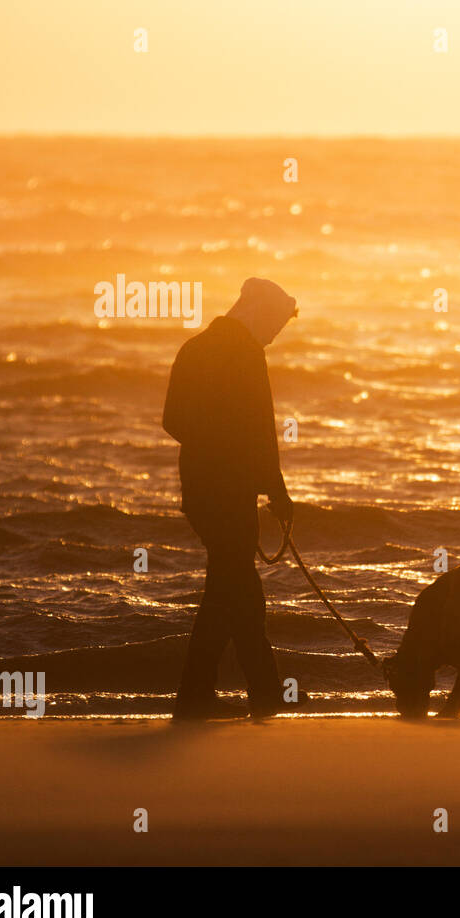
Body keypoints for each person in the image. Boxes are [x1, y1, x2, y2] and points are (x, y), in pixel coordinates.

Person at [162, 277, 298, 719]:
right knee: (233, 586)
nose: (274, 335)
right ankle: (217, 694)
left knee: (233, 585)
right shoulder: (246, 354)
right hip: (232, 493)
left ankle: (238, 691)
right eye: (275, 324)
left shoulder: (193, 349)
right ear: (257, 312)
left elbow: (172, 421)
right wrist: (277, 494)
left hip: (199, 493)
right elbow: (262, 432)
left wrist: (212, 445)